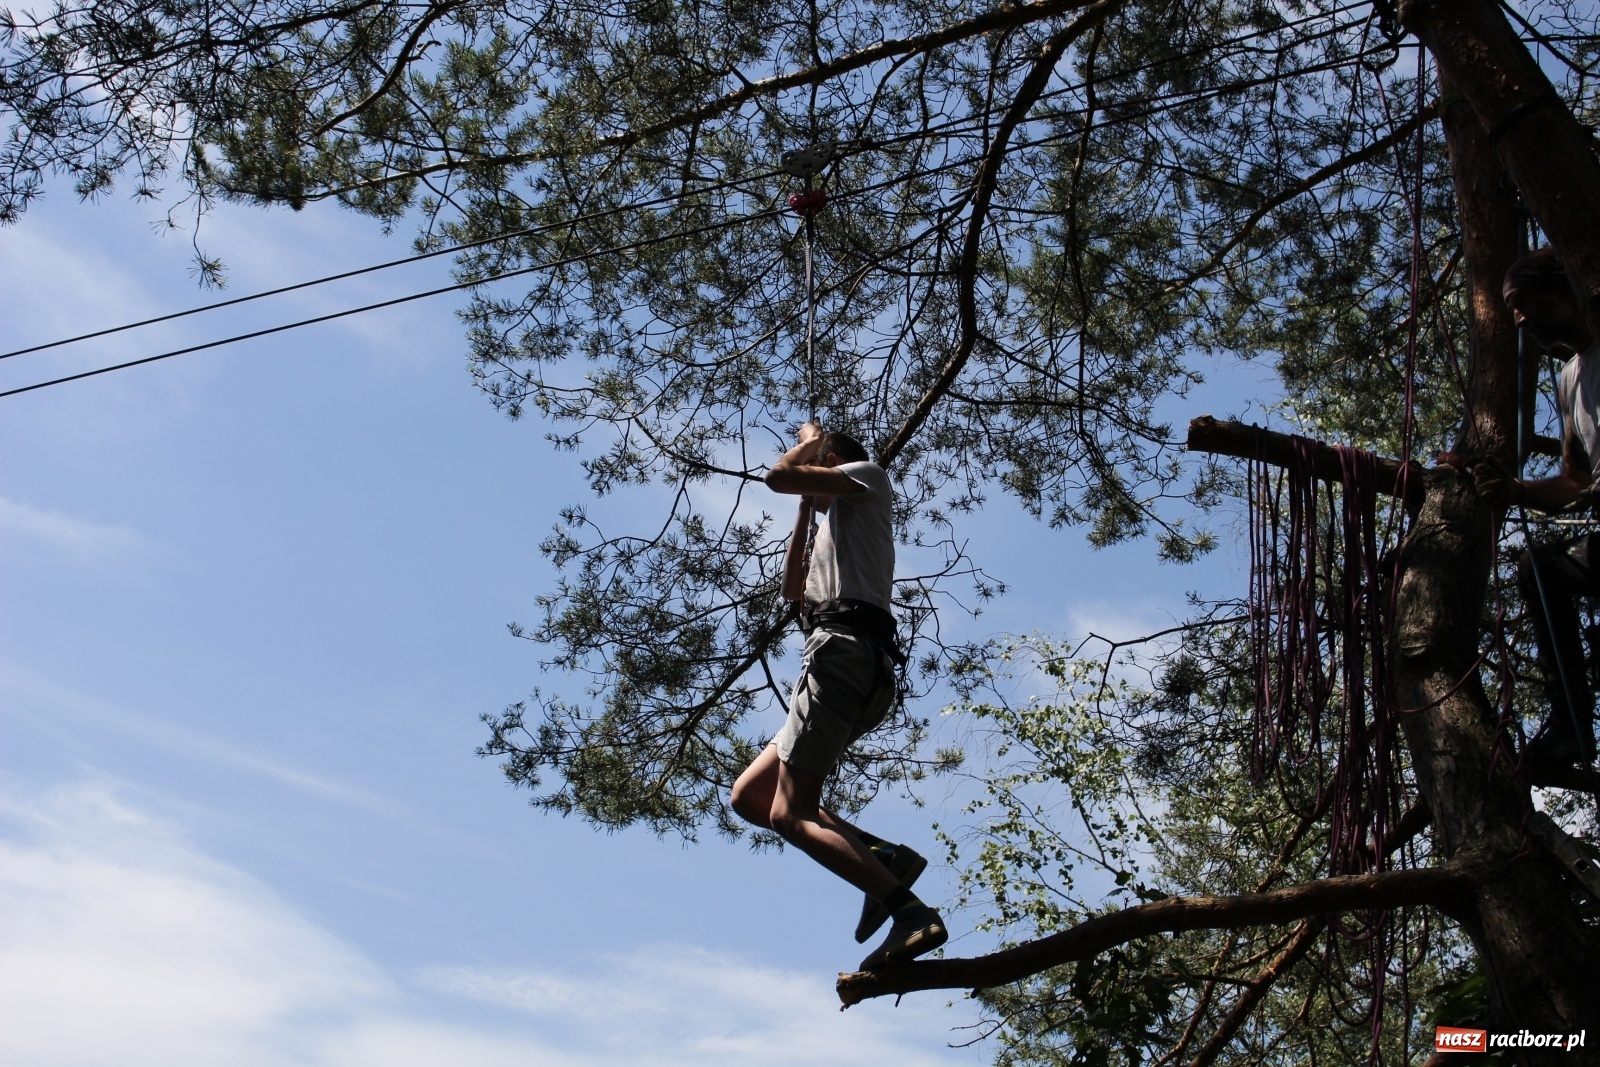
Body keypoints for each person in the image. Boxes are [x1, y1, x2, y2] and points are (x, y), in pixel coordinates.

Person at [729, 422, 947, 970]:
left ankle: (910, 912)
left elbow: (779, 474)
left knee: (789, 814)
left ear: (830, 461)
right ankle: (887, 860)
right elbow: (792, 592)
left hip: (844, 657)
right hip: (841, 660)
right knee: (751, 797)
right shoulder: (836, 532)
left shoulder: (868, 477)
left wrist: (810, 438)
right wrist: (805, 512)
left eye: (818, 469)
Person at [1474, 247, 1599, 766]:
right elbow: (1575, 478)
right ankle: (1570, 726)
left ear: (1564, 289)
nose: (1520, 319)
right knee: (1540, 570)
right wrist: (1519, 492)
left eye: (1525, 302)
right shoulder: (1572, 378)